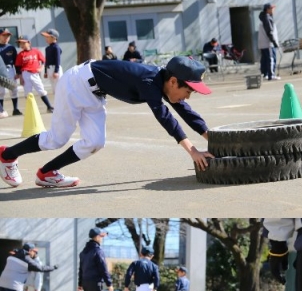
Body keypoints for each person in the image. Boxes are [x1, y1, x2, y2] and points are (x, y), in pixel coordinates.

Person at [0, 55, 212, 189]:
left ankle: (46, 173)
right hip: (75, 84)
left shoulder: (164, 82)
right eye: (188, 91)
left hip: (94, 93)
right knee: (56, 139)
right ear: (173, 81)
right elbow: (164, 117)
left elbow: (185, 111)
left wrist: (214, 140)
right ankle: (7, 155)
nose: (187, 97)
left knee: (95, 142)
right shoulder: (149, 81)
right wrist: (193, 151)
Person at [15, 36, 55, 113]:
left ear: (29, 43)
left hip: (35, 73)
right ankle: (31, 110)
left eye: (23, 43)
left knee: (41, 90)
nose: (21, 45)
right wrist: (21, 78)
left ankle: (49, 106)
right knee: (28, 93)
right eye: (20, 43)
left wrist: (41, 68)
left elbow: (43, 61)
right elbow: (18, 67)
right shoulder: (20, 54)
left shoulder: (36, 51)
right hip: (25, 73)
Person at [0, 29, 21, 117]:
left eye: (8, 36)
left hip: (10, 69)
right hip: (0, 71)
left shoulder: (11, 48)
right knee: (1, 91)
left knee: (13, 89)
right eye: (4, 35)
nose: (6, 37)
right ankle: (1, 110)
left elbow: (16, 61)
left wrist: (18, 72)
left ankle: (15, 109)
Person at [258, 4, 280, 81]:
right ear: (267, 9)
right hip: (268, 43)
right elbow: (269, 31)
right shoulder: (267, 18)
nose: (273, 10)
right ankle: (271, 75)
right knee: (271, 59)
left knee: (265, 59)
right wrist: (274, 42)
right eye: (271, 8)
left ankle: (265, 74)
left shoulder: (263, 18)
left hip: (263, 43)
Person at [41, 28, 62, 99]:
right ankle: (57, 102)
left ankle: (61, 101)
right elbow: (46, 60)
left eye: (47, 37)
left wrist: (56, 71)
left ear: (54, 38)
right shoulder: (47, 48)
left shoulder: (56, 48)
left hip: (55, 68)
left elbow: (57, 60)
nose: (46, 39)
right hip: (49, 69)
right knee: (54, 88)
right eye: (45, 37)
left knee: (58, 87)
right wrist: (45, 71)